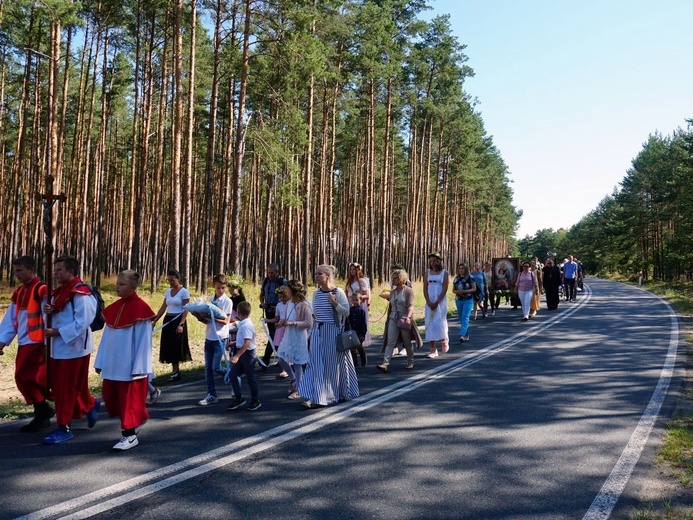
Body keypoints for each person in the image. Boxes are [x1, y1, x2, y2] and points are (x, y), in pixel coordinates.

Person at [94, 270, 155, 451]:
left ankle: (129, 436)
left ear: (133, 287)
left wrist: (140, 367)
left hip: (130, 366)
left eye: (121, 284)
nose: (117, 287)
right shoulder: (114, 308)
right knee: (111, 399)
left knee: (127, 402)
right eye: (117, 283)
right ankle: (135, 423)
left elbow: (144, 342)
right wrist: (100, 361)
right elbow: (106, 338)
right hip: (113, 364)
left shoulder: (141, 309)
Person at [42, 255, 100, 444]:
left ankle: (63, 427)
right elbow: (56, 313)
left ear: (71, 272)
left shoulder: (81, 293)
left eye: (59, 269)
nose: (56, 273)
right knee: (69, 386)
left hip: (73, 348)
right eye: (55, 269)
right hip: (57, 346)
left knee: (64, 388)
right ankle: (90, 404)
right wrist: (48, 311)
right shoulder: (59, 292)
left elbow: (83, 321)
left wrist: (57, 332)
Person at [0, 256, 53, 432]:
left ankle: (43, 411)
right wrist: (2, 341)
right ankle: (42, 411)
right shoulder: (20, 292)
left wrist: (48, 342)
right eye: (15, 271)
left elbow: (50, 317)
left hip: (37, 340)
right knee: (25, 377)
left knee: (29, 377)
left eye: (20, 270)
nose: (17, 274)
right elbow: (11, 319)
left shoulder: (42, 289)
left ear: (31, 270)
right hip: (25, 340)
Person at [297, 264, 359, 409]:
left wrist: (334, 302)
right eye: (316, 273)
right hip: (318, 330)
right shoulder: (316, 293)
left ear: (327, 276)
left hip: (332, 331)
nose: (316, 276)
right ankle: (313, 395)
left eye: (319, 274)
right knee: (314, 363)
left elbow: (346, 312)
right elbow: (316, 312)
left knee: (332, 366)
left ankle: (331, 395)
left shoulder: (338, 292)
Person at [192, 274, 232, 406]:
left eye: (223, 288)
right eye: (218, 288)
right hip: (209, 336)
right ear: (213, 286)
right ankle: (212, 394)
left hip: (220, 337)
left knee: (216, 366)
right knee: (208, 368)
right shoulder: (209, 300)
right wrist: (199, 316)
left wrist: (210, 316)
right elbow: (208, 322)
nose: (220, 290)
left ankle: (232, 375)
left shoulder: (227, 301)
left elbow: (225, 321)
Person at [376, 269, 421, 372]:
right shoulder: (392, 292)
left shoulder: (408, 291)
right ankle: (385, 363)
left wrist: (408, 317)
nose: (393, 280)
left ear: (401, 278)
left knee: (407, 341)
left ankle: (410, 361)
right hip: (393, 318)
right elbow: (391, 303)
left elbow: (411, 306)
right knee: (390, 341)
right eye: (392, 278)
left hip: (404, 319)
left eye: (395, 278)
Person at [152, 269, 191, 383]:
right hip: (168, 320)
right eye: (169, 280)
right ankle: (174, 371)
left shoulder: (184, 292)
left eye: (172, 280)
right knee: (168, 345)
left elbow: (186, 309)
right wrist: (155, 320)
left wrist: (181, 324)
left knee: (176, 346)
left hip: (178, 320)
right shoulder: (168, 292)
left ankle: (175, 372)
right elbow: (163, 307)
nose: (170, 282)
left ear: (178, 279)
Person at [276, 280, 313, 400]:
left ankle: (298, 388)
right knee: (281, 359)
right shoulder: (289, 303)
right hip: (288, 335)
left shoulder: (304, 305)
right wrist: (282, 323)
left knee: (297, 363)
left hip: (298, 336)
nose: (286, 292)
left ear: (293, 291)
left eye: (288, 290)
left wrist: (292, 323)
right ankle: (293, 379)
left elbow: (308, 323)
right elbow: (286, 318)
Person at [227, 301, 261, 411]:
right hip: (241, 351)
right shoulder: (243, 324)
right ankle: (239, 397)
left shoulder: (246, 326)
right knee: (232, 374)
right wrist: (235, 343)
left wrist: (236, 356)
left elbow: (247, 343)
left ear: (239, 312)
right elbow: (243, 340)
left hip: (247, 354)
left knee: (250, 378)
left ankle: (255, 400)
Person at [258, 263, 287, 369]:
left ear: (277, 272)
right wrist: (262, 303)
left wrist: (280, 306)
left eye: (272, 273)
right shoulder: (265, 281)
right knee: (274, 335)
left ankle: (266, 360)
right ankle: (279, 358)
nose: (270, 275)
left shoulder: (282, 282)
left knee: (275, 335)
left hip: (279, 312)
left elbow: (288, 296)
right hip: (269, 311)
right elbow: (261, 295)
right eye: (269, 272)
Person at [423, 253, 449, 358]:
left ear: (439, 261)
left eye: (434, 261)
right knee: (430, 323)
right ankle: (433, 349)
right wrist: (428, 301)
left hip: (440, 301)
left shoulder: (444, 273)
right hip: (430, 299)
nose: (432, 263)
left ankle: (444, 339)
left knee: (439, 321)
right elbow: (425, 288)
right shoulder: (427, 272)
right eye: (431, 261)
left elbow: (444, 288)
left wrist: (437, 301)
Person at [345, 262, 371, 347]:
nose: (352, 271)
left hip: (359, 303)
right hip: (349, 303)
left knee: (359, 323)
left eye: (353, 269)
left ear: (358, 270)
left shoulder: (362, 281)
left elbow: (367, 294)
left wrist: (359, 297)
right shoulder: (349, 281)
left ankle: (360, 341)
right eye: (350, 269)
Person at [265, 286, 289, 378]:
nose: (282, 299)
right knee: (280, 348)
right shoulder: (279, 305)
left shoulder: (291, 304)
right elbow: (277, 318)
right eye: (280, 297)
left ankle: (285, 370)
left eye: (284, 296)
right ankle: (283, 367)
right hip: (280, 328)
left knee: (286, 349)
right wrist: (269, 320)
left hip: (288, 327)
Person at [452, 263, 476, 342]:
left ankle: (462, 335)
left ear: (466, 269)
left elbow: (474, 289)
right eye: (459, 268)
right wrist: (457, 292)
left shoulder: (470, 278)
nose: (461, 270)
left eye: (462, 268)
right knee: (462, 318)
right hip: (459, 299)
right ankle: (466, 334)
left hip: (468, 299)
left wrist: (465, 291)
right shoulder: (456, 278)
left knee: (465, 317)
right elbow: (453, 290)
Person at [347, 292, 368, 367]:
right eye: (353, 300)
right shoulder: (350, 310)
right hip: (352, 332)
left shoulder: (361, 311)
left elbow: (364, 323)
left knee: (359, 346)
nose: (355, 301)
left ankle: (363, 358)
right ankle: (355, 363)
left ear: (360, 300)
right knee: (352, 348)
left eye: (357, 300)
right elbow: (348, 321)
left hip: (359, 332)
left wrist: (363, 334)